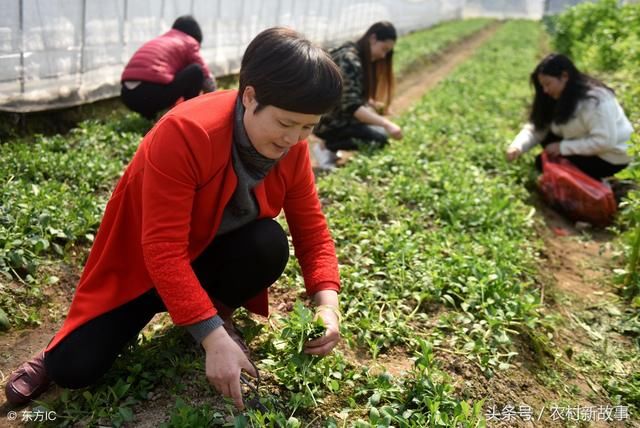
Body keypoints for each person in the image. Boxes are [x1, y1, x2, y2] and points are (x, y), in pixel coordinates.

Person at [5, 27, 344, 411]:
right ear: (250, 97)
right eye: (285, 124)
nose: (294, 139)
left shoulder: (292, 148)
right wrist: (214, 342)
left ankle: (211, 313)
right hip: (144, 268)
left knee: (267, 242)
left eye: (307, 127)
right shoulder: (186, 132)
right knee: (74, 368)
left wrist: (327, 304)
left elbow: (311, 230)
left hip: (207, 258)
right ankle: (54, 356)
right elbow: (162, 250)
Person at [506, 53, 633, 180]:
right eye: (542, 86)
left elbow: (604, 142)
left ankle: (599, 182)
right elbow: (538, 126)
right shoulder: (555, 96)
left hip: (611, 158)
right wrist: (517, 146)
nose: (545, 90)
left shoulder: (596, 100)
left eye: (548, 84)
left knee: (543, 162)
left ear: (564, 76)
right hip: (585, 144)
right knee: (547, 144)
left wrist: (562, 148)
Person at [312, 21, 403, 170]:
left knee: (378, 130)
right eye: (384, 49)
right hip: (323, 122)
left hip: (329, 117)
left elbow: (351, 93)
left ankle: (330, 147)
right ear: (373, 38)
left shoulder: (354, 53)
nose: (383, 55)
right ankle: (326, 147)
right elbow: (352, 107)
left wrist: (374, 106)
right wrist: (387, 124)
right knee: (380, 138)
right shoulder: (349, 60)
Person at [120, 15, 217, 119]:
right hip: (149, 93)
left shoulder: (162, 39)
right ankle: (189, 114)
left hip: (127, 94)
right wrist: (215, 99)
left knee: (166, 75)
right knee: (196, 70)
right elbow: (205, 75)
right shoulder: (190, 41)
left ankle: (154, 119)